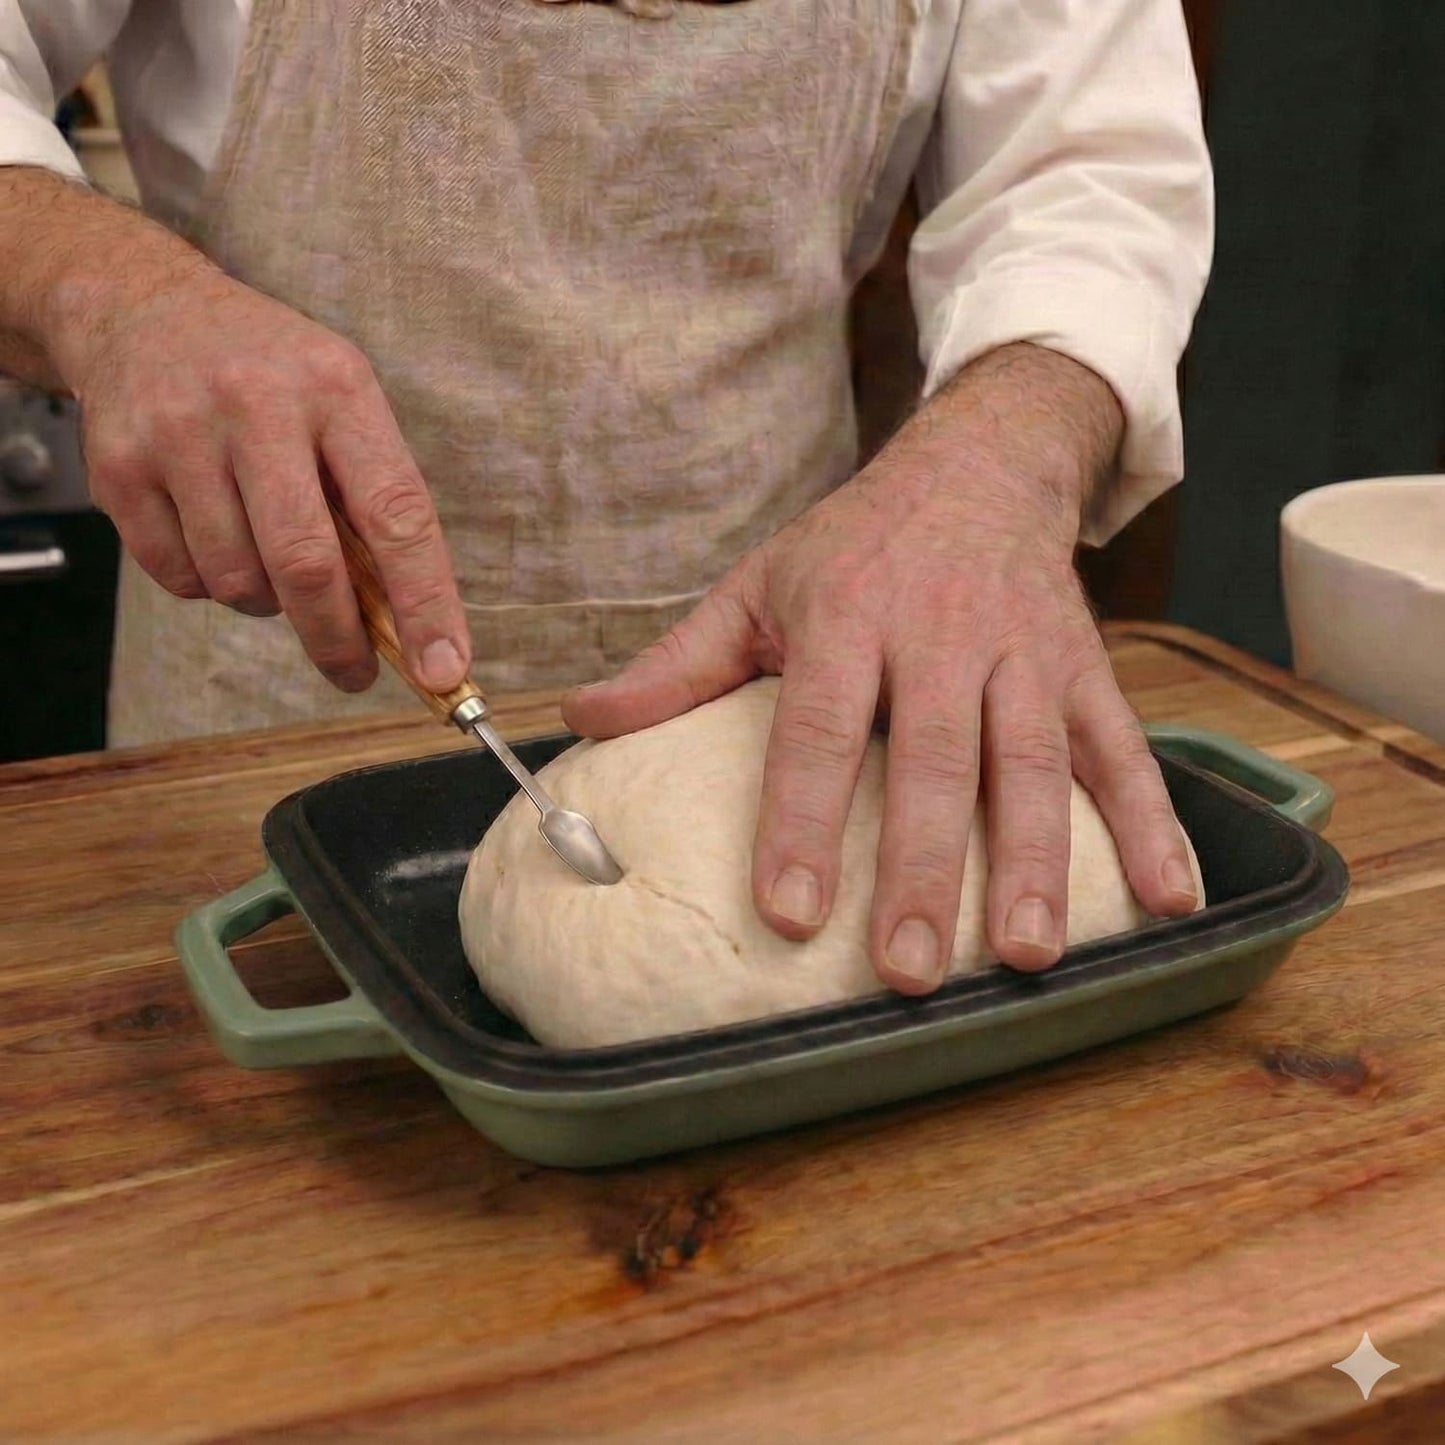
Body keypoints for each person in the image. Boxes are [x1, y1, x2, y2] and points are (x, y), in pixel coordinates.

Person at [0, 0, 1213, 996]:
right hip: (256, 683)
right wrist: (111, 292)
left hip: (798, 678)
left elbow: (1085, 170)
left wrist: (996, 461)